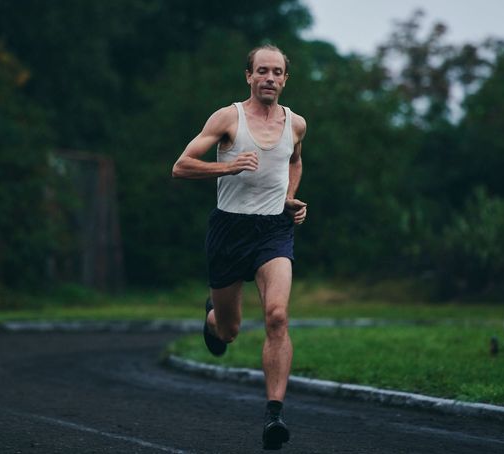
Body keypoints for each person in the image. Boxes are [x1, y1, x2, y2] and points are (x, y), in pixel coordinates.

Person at [172, 44, 306, 450]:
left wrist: (288, 198)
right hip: (229, 230)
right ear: (248, 76)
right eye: (261, 71)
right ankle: (213, 318)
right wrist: (227, 165)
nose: (269, 78)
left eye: (276, 72)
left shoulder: (295, 124)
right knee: (229, 332)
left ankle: (274, 415)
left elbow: (294, 161)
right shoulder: (228, 117)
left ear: (285, 79)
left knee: (278, 316)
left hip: (273, 231)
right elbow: (180, 166)